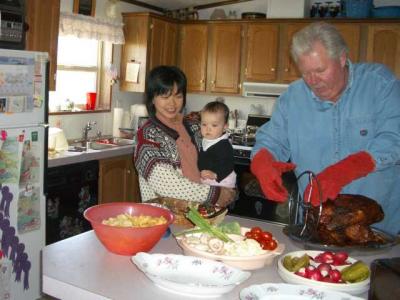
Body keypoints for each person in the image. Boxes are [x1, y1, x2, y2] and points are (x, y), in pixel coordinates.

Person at [250, 22, 400, 235]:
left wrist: (345, 170)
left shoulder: (379, 84)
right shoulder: (292, 98)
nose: (313, 81)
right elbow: (271, 141)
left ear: (342, 58)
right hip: (318, 228)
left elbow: (395, 138)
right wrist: (263, 162)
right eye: (305, 72)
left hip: (380, 231)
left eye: (320, 70)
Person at [134, 65, 236, 216]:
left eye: (178, 96)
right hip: (166, 218)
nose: (172, 103)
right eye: (165, 96)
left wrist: (227, 185)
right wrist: (216, 194)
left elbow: (221, 158)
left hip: (202, 214)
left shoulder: (195, 126)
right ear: (152, 98)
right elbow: (167, 185)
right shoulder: (148, 135)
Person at [198, 101, 236, 188]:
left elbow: (228, 164)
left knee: (217, 200)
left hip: (223, 180)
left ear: (225, 127)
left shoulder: (224, 145)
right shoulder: (204, 141)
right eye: (204, 124)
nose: (208, 129)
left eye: (214, 125)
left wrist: (216, 174)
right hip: (207, 179)